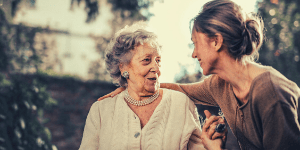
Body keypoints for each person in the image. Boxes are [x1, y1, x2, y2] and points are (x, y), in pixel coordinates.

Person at [98, 0, 300, 150]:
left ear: (216, 41)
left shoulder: (271, 92)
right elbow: (180, 89)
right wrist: (131, 86)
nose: (194, 53)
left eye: (195, 43)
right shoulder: (220, 84)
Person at [79, 22, 226, 150]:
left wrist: (213, 145)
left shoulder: (181, 104)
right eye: (146, 60)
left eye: (158, 60)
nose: (156, 68)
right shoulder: (100, 111)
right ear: (123, 68)